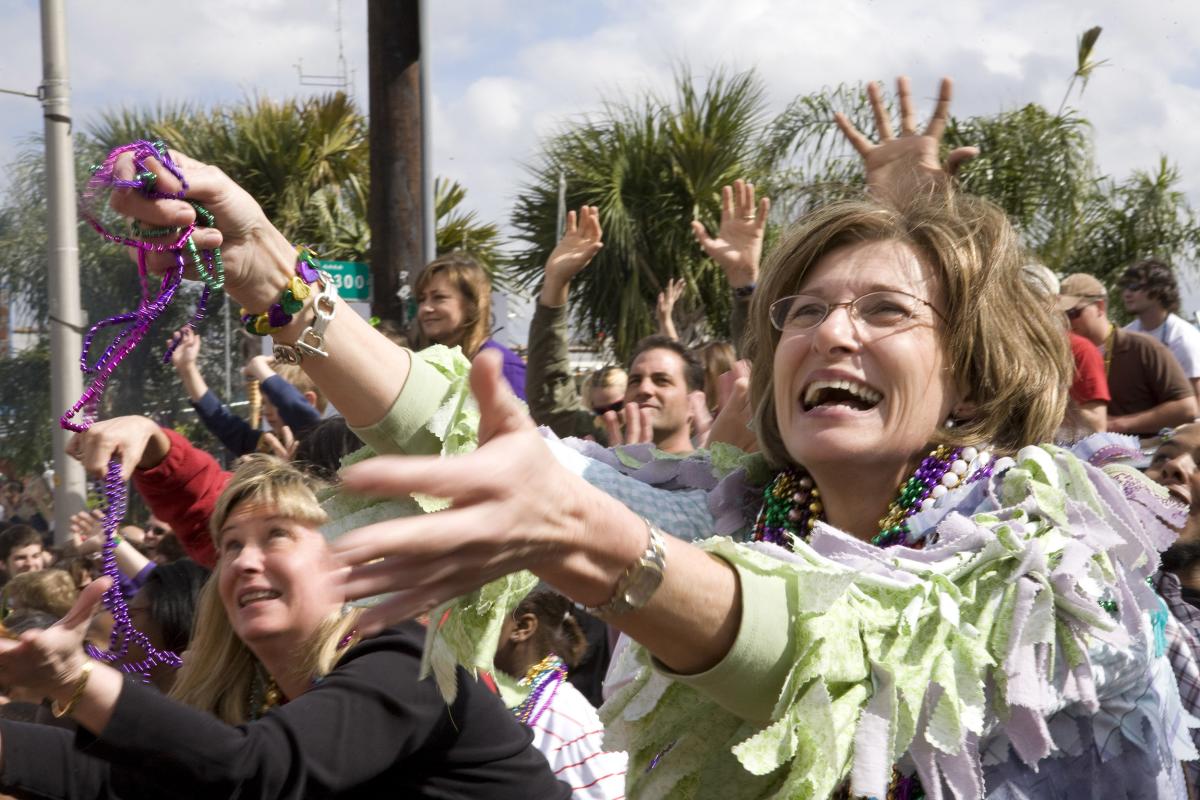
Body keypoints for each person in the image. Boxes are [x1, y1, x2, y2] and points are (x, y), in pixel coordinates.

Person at [97, 75, 1191, 797]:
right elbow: (491, 440)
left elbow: (849, 650)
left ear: (970, 366)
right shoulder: (744, 503)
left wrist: (602, 551)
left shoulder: (1049, 547)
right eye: (802, 311)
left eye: (884, 311)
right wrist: (280, 282)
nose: (828, 333)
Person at [0, 455, 569, 799]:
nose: (245, 561)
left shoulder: (406, 664)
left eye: (277, 535)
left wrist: (77, 679)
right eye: (230, 547)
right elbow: (135, 785)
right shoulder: (255, 696)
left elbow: (256, 773)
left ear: (343, 566)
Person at [526, 206, 708, 453]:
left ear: (693, 403)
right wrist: (556, 283)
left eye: (661, 380)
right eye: (635, 380)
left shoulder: (720, 477)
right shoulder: (599, 452)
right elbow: (551, 394)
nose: (644, 389)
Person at [495, 588, 627, 799]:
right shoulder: (501, 704)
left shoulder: (564, 716)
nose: (461, 632)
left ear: (521, 628)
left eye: (479, 619)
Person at [1061, 271, 1196, 436]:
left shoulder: (1143, 347)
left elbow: (1187, 408)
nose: (1067, 321)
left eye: (1073, 313)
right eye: (1062, 315)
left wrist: (1119, 425)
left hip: (1144, 455)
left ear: (1099, 307)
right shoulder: (1064, 355)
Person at [169, 325, 326, 457]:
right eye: (264, 402)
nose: (266, 411)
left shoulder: (323, 442)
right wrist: (187, 368)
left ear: (308, 401)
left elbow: (297, 408)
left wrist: (259, 367)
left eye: (275, 402)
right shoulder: (266, 445)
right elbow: (222, 422)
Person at [414, 251, 527, 400]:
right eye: (421, 299)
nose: (425, 308)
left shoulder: (504, 367)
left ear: (471, 304)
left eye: (439, 297)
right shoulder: (421, 368)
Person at [1121, 258, 1200, 399]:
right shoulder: (1126, 336)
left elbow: (1196, 404)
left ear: (1157, 290)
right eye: (1125, 286)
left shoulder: (1184, 340)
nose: (1126, 294)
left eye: (1134, 287)